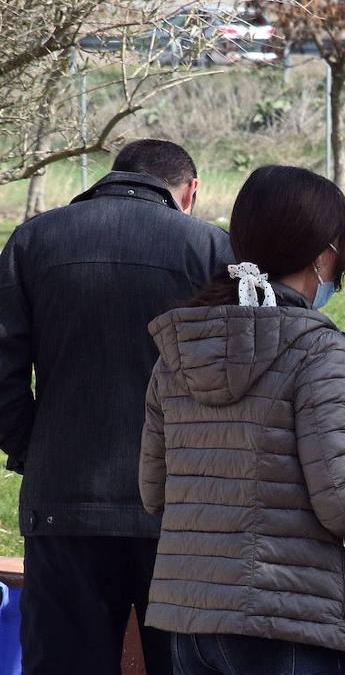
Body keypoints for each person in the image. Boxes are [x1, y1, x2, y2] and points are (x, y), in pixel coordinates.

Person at [138, 165, 345, 674]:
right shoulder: (316, 349)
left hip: (189, 624)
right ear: (325, 255)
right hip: (288, 621)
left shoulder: (180, 347)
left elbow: (154, 493)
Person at [0, 140, 230, 675]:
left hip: (63, 507)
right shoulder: (214, 248)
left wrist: (38, 449)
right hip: (183, 508)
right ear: (189, 191)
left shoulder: (32, 240)